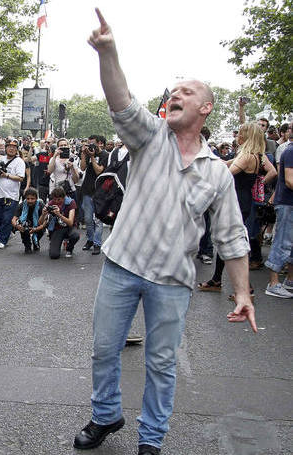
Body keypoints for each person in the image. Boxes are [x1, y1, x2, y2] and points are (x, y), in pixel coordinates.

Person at [74, 10, 256, 455]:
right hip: (121, 266)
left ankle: (151, 440)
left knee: (161, 364)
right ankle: (105, 414)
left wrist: (244, 293)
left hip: (172, 282)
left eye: (186, 92)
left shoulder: (217, 172)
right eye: (172, 91)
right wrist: (109, 52)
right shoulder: (149, 137)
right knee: (103, 350)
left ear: (205, 107)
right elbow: (121, 100)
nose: (175, 95)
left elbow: (232, 237)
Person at [197, 122, 277, 297]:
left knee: (233, 242)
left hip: (238, 201)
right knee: (228, 240)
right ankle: (217, 280)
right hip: (243, 200)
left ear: (246, 136)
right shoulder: (256, 155)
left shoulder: (247, 156)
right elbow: (225, 163)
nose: (237, 136)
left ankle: (245, 288)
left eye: (240, 133)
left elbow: (226, 172)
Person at [264, 127, 293, 298]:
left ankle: (289, 280)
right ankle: (273, 283)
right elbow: (289, 180)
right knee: (282, 242)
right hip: (287, 204)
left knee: (290, 244)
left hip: (289, 203)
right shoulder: (290, 152)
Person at [0, 138, 28, 249]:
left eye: (14, 147)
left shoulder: (19, 161)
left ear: (16, 149)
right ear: (6, 148)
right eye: (9, 146)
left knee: (7, 219)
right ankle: (7, 231)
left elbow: (21, 178)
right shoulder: (1, 158)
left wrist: (6, 175)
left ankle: (2, 240)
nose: (11, 149)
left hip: (11, 196)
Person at [78, 137, 108, 255]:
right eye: (89, 144)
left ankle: (97, 243)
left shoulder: (105, 155)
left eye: (93, 144)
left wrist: (92, 157)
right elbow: (82, 168)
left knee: (98, 220)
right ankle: (90, 240)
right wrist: (83, 155)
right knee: (88, 219)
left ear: (99, 144)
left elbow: (99, 171)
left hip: (100, 192)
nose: (91, 146)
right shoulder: (87, 153)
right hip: (87, 190)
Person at [39, 187, 79, 259]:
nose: (57, 201)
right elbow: (40, 222)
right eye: (55, 199)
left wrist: (59, 214)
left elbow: (70, 222)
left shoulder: (70, 202)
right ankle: (54, 242)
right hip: (58, 229)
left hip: (69, 228)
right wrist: (43, 214)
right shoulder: (50, 203)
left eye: (59, 199)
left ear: (64, 197)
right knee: (54, 255)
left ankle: (69, 248)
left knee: (75, 235)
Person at [12, 187, 46, 253]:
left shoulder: (41, 205)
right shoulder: (21, 205)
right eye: (28, 199)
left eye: (32, 199)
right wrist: (17, 226)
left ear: (36, 198)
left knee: (41, 229)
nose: (30, 201)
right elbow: (13, 219)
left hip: (38, 225)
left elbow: (45, 222)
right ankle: (27, 245)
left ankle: (36, 241)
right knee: (23, 225)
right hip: (26, 224)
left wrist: (36, 229)